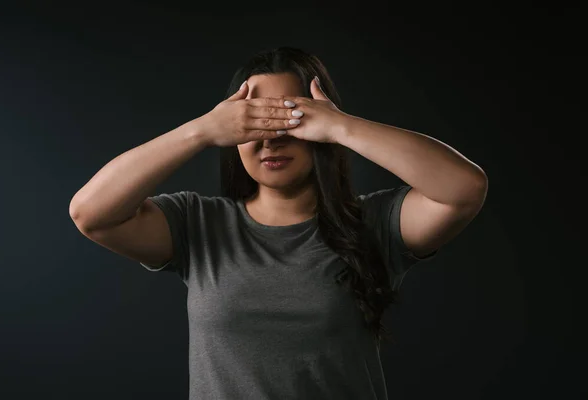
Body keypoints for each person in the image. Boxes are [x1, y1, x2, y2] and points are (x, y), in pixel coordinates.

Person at [70, 46, 488, 399]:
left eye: (289, 117)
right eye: (254, 120)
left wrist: (343, 126)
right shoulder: (198, 223)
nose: (272, 137)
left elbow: (464, 188)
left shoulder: (373, 223)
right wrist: (199, 132)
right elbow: (90, 213)